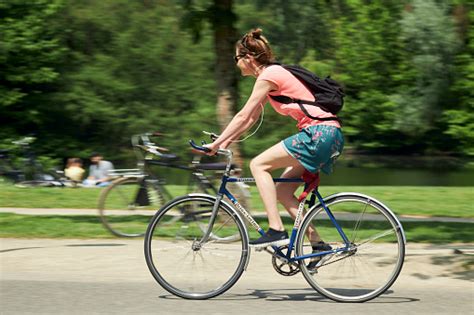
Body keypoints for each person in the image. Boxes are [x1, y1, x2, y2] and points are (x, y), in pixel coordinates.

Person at [203, 28, 344, 250]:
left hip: (318, 134)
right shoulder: (271, 76)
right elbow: (249, 120)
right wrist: (225, 142)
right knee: (283, 192)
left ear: (248, 58)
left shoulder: (269, 75)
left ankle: (276, 230)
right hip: (329, 134)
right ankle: (318, 244)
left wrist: (216, 143)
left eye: (236, 58)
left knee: (258, 165)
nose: (236, 63)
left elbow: (242, 114)